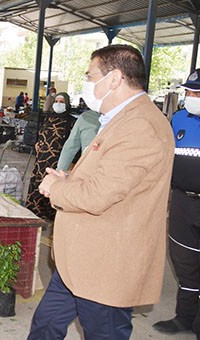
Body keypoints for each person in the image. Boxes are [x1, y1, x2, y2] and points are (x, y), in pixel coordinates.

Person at [27, 44, 174, 339]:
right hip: (79, 260)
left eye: (91, 75)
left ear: (115, 78)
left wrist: (57, 188)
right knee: (46, 325)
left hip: (106, 264)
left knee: (103, 332)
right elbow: (110, 176)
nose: (88, 82)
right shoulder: (122, 118)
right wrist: (68, 176)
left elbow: (98, 195)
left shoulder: (140, 126)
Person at [152, 69, 200, 336]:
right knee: (184, 262)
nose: (192, 97)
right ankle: (185, 317)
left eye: (197, 93)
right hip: (183, 202)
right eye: (190, 92)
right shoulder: (179, 119)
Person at [25, 92, 76, 221]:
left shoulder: (71, 121)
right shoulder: (48, 118)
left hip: (57, 159)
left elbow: (74, 143)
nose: (58, 104)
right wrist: (38, 143)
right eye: (57, 101)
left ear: (67, 104)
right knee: (38, 183)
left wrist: (72, 162)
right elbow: (42, 133)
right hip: (41, 157)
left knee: (51, 185)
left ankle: (49, 214)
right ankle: (34, 212)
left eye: (62, 101)